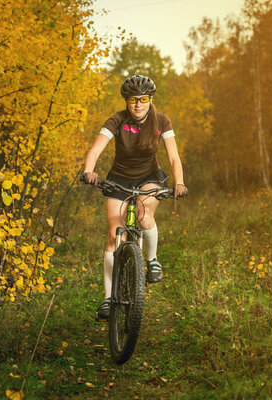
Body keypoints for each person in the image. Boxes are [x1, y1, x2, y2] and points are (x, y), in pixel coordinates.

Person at [83, 74, 187, 319]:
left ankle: (151, 260)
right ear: (127, 101)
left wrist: (179, 181)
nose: (138, 104)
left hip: (149, 177)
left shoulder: (161, 120)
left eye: (143, 99)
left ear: (150, 100)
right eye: (133, 100)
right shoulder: (117, 120)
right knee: (112, 235)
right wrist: (89, 170)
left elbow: (173, 156)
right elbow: (96, 149)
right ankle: (108, 298)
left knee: (144, 214)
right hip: (119, 178)